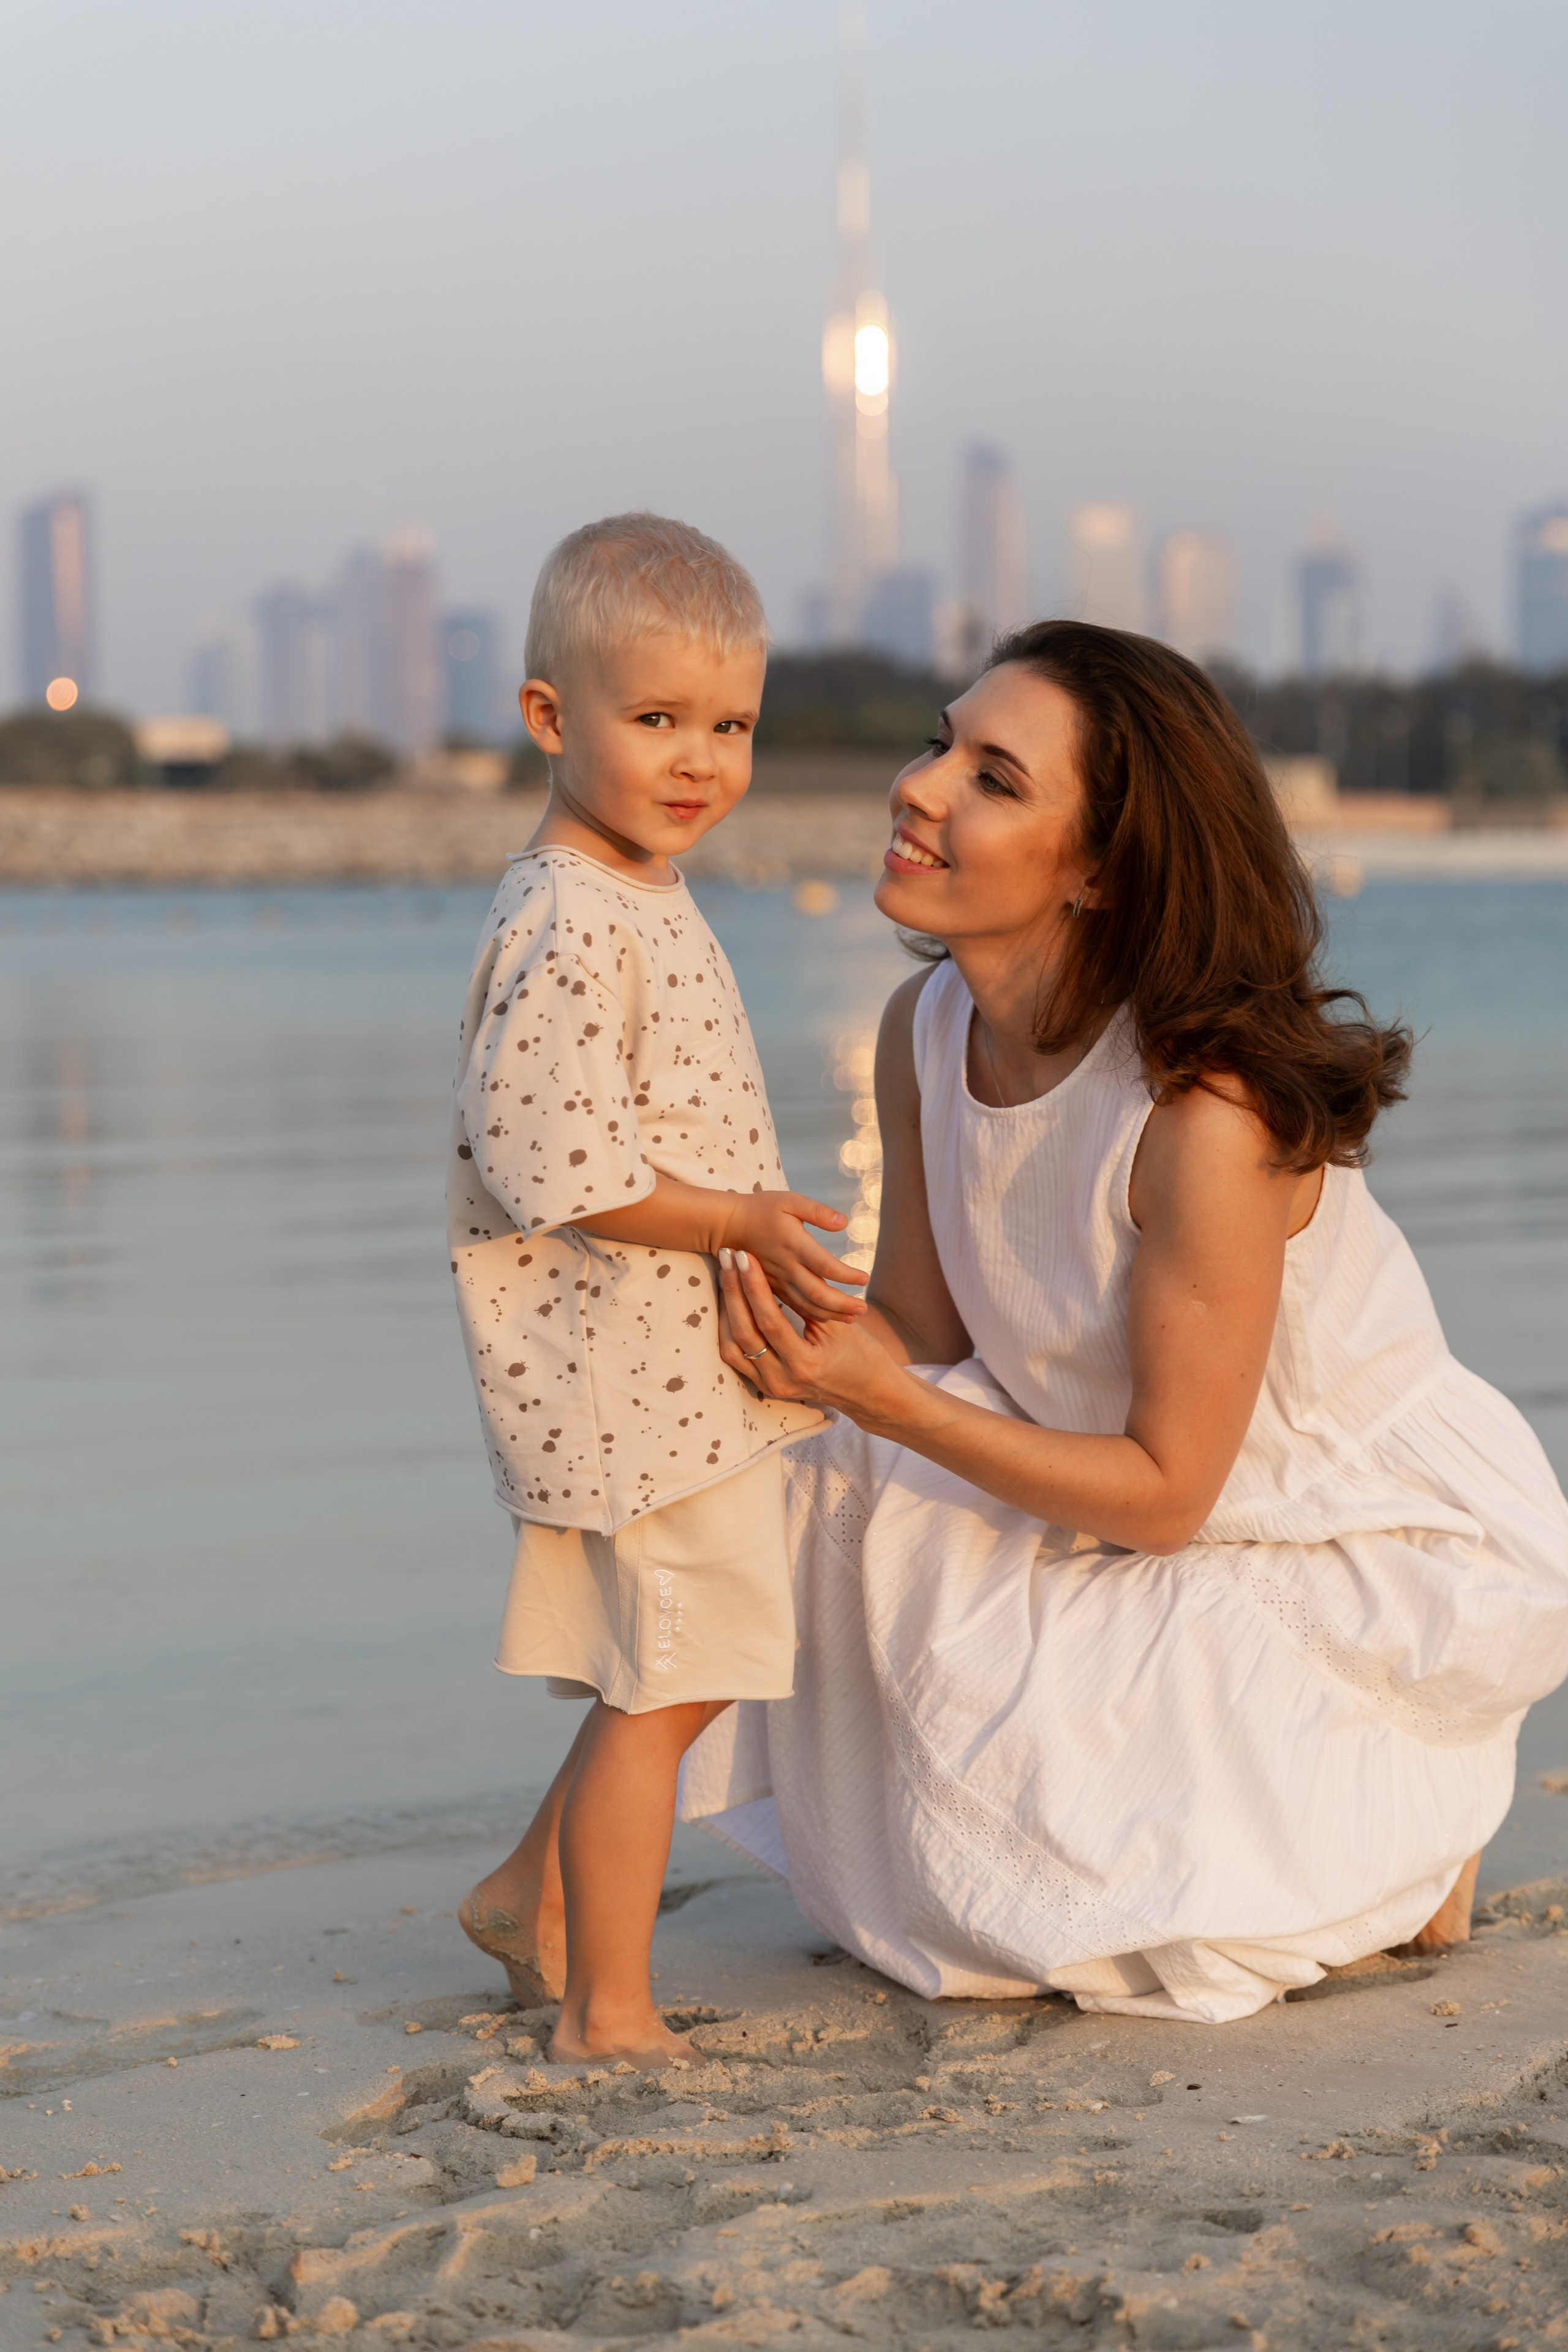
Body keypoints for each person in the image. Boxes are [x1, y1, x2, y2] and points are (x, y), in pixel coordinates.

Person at [682, 619, 1568, 2025]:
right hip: (1100, 1473)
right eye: (937, 743)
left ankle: (1394, 1836)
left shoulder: (1203, 1116)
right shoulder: (924, 1027)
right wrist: (747, 1323)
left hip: (1325, 1536)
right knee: (808, 1492)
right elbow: (920, 1330)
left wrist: (887, 1401)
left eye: (993, 777)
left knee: (1143, 1937)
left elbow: (1165, 1494)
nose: (919, 788)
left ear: (1097, 867)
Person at [448, 514, 865, 2064]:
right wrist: (744, 1220)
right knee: (665, 1686)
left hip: (674, 1372)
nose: (700, 761)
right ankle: (602, 2009)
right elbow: (559, 1165)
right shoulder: (568, 918)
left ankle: (522, 1896)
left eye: (732, 725)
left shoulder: (634, 888)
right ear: (552, 719)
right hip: (626, 1382)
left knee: (669, 1667)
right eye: (657, 721)